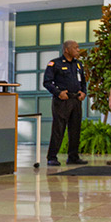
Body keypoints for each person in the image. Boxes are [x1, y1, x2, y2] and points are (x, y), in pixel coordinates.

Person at [42, 39, 87, 167]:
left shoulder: (78, 64)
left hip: (76, 100)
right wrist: (58, 92)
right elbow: (47, 82)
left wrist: (83, 92)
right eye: (75, 48)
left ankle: (73, 157)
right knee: (58, 129)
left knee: (75, 129)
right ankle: (52, 157)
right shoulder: (55, 64)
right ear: (67, 50)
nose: (78, 50)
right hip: (62, 100)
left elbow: (83, 82)